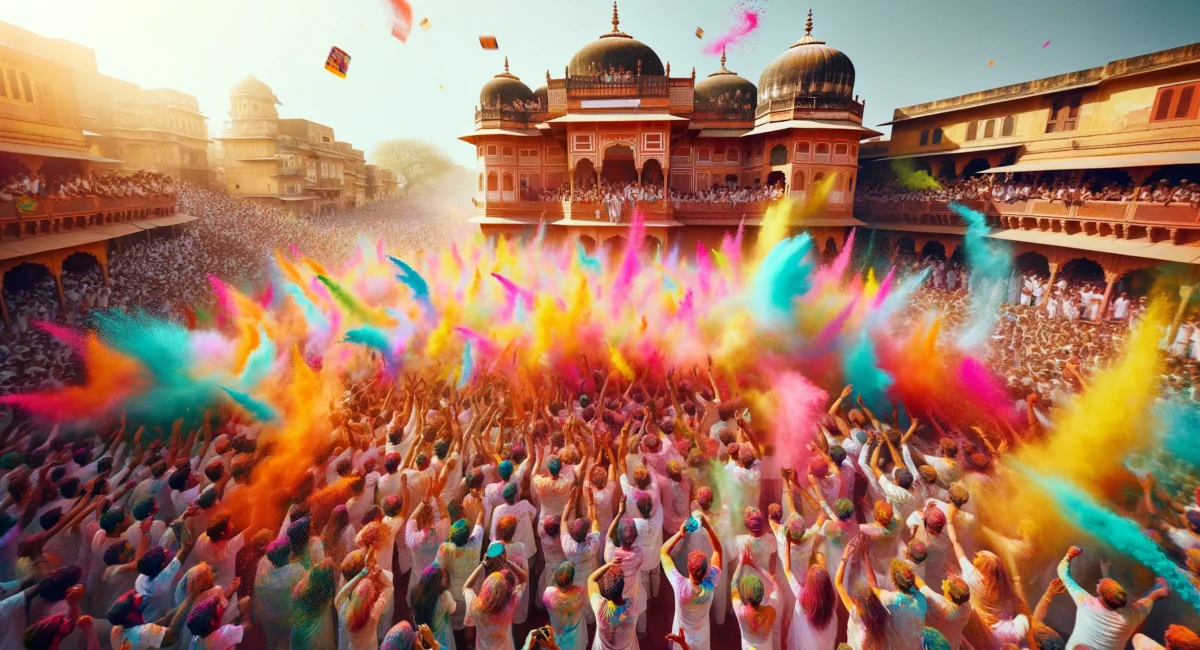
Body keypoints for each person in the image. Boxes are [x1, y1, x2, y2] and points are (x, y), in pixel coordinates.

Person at [1057, 546, 1170, 650]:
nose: (1097, 585)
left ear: (1100, 593)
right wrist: (1164, 587)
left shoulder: (1086, 603)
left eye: (1099, 586)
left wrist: (1069, 555)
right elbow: (1154, 596)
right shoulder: (1131, 616)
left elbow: (1063, 573)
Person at [661, 515, 722, 650]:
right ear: (707, 570)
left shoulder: (679, 585)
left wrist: (680, 534)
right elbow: (718, 550)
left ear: (688, 568)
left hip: (681, 636)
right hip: (702, 638)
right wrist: (708, 528)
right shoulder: (711, 583)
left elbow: (663, 552)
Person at [463, 550, 529, 650]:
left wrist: (482, 564)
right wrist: (507, 561)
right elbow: (523, 579)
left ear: (485, 588)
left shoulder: (476, 609)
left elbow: (467, 587)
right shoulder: (510, 605)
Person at [731, 545, 781, 650]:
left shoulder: (740, 611)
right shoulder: (771, 608)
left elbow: (733, 584)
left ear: (744, 595)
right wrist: (756, 565)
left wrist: (741, 563)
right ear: (762, 593)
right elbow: (775, 586)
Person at [588, 558, 637, 650]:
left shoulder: (600, 608)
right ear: (623, 585)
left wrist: (609, 564)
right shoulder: (632, 606)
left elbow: (591, 580)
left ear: (606, 591)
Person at [542, 562, 587, 650]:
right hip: (575, 640)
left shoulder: (548, 593)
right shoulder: (580, 593)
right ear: (571, 580)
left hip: (557, 637)